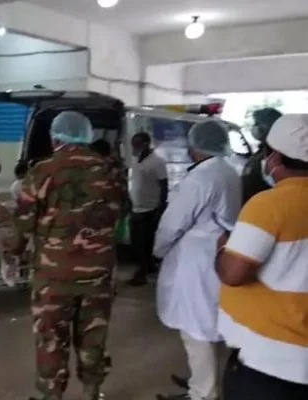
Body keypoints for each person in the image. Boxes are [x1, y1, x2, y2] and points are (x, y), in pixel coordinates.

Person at [4, 111, 126, 400]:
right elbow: (121, 212)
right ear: (87, 135)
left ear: (55, 138)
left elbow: (23, 222)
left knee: (50, 338)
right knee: (93, 335)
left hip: (53, 275)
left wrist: (11, 255)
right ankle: (92, 393)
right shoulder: (111, 171)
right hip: (98, 273)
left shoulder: (42, 171)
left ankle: (52, 395)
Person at [216, 114, 308, 400]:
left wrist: (222, 248)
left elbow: (233, 274)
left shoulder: (270, 205)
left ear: (275, 157)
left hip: (270, 361)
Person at [153, 120, 241, 400]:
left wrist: (158, 249)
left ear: (198, 146)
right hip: (215, 256)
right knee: (208, 324)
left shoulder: (200, 178)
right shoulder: (228, 170)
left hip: (196, 262)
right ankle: (204, 383)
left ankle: (203, 393)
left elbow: (173, 223)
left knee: (196, 330)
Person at [128, 132, 168, 286]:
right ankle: (149, 266)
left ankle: (142, 273)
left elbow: (164, 186)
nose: (135, 147)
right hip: (135, 207)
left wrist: (160, 208)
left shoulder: (157, 162)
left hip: (149, 209)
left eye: (137, 144)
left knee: (143, 244)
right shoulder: (135, 159)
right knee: (135, 242)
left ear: (146, 144)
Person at [241, 108, 282, 204]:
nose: (254, 127)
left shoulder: (276, 155)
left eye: (257, 124)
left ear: (267, 128)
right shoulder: (262, 150)